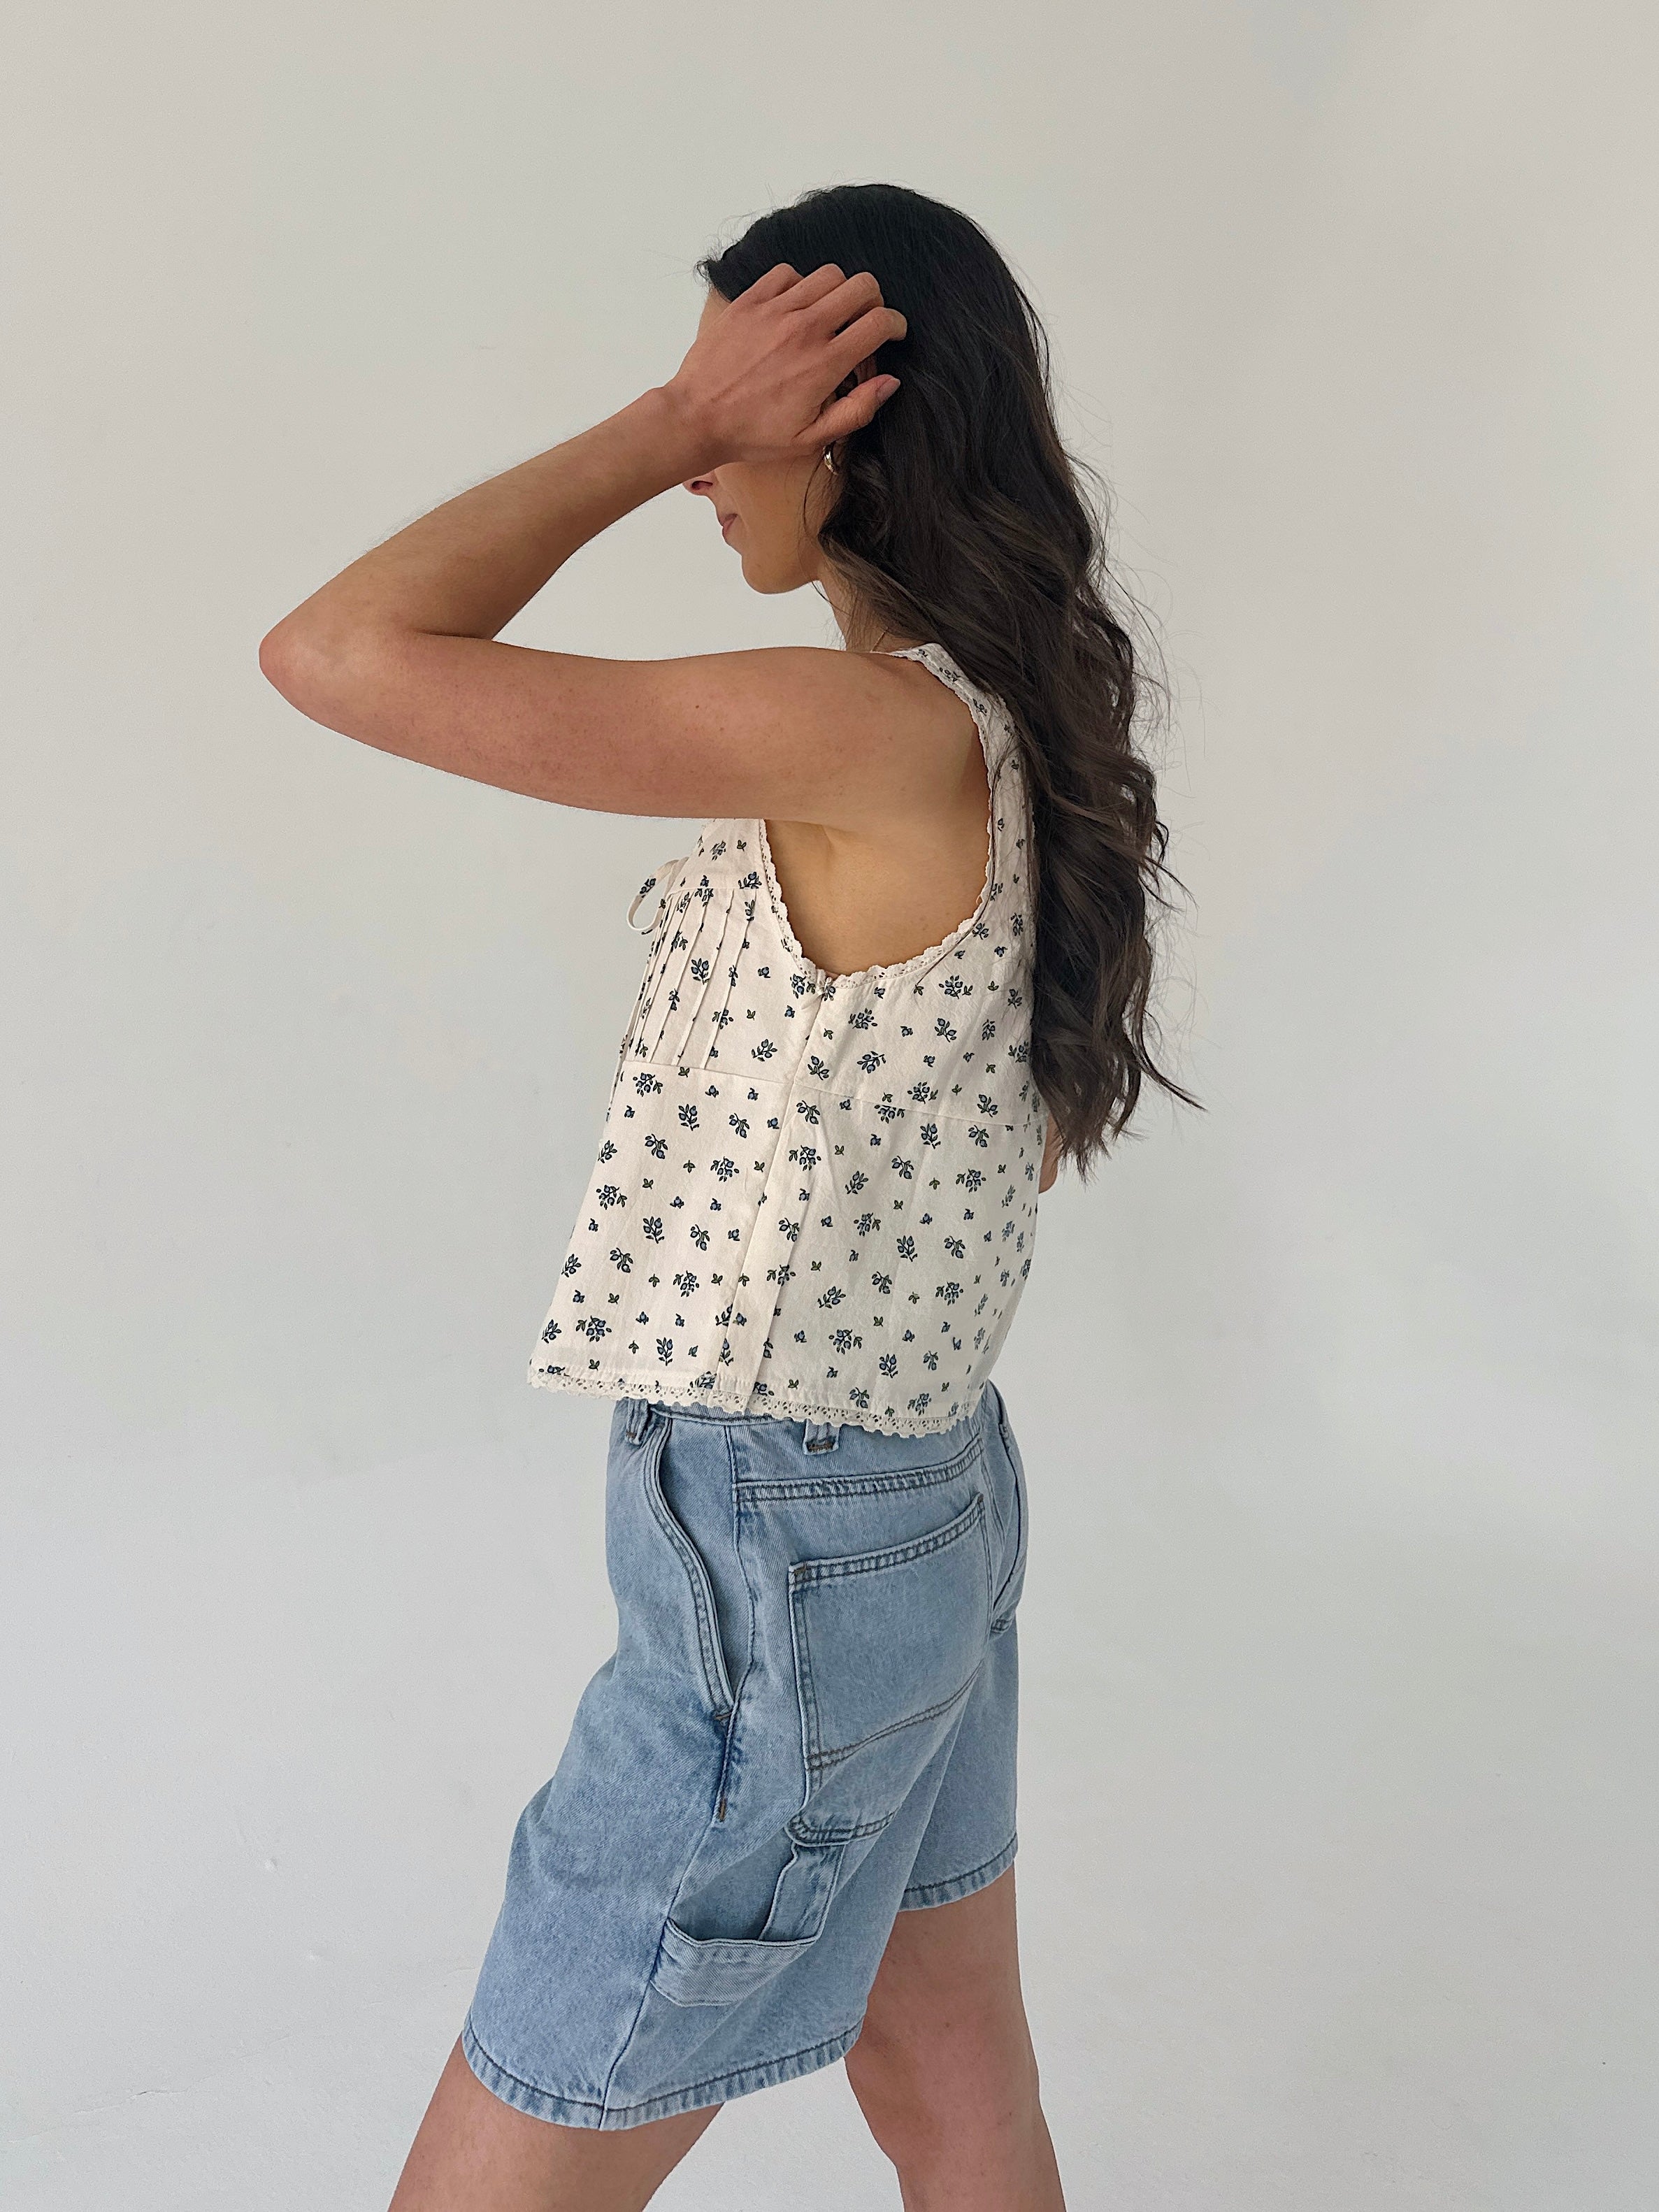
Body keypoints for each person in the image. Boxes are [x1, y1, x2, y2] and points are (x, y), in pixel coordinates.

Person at [260, 180, 1191, 2212]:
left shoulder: (867, 725)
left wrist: (655, 427)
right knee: (951, 2078)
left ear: (844, 413)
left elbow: (334, 654)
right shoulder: (1001, 714)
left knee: (521, 2127)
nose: (705, 450)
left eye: (737, 396)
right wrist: (706, 421)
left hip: (782, 1539)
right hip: (920, 1504)